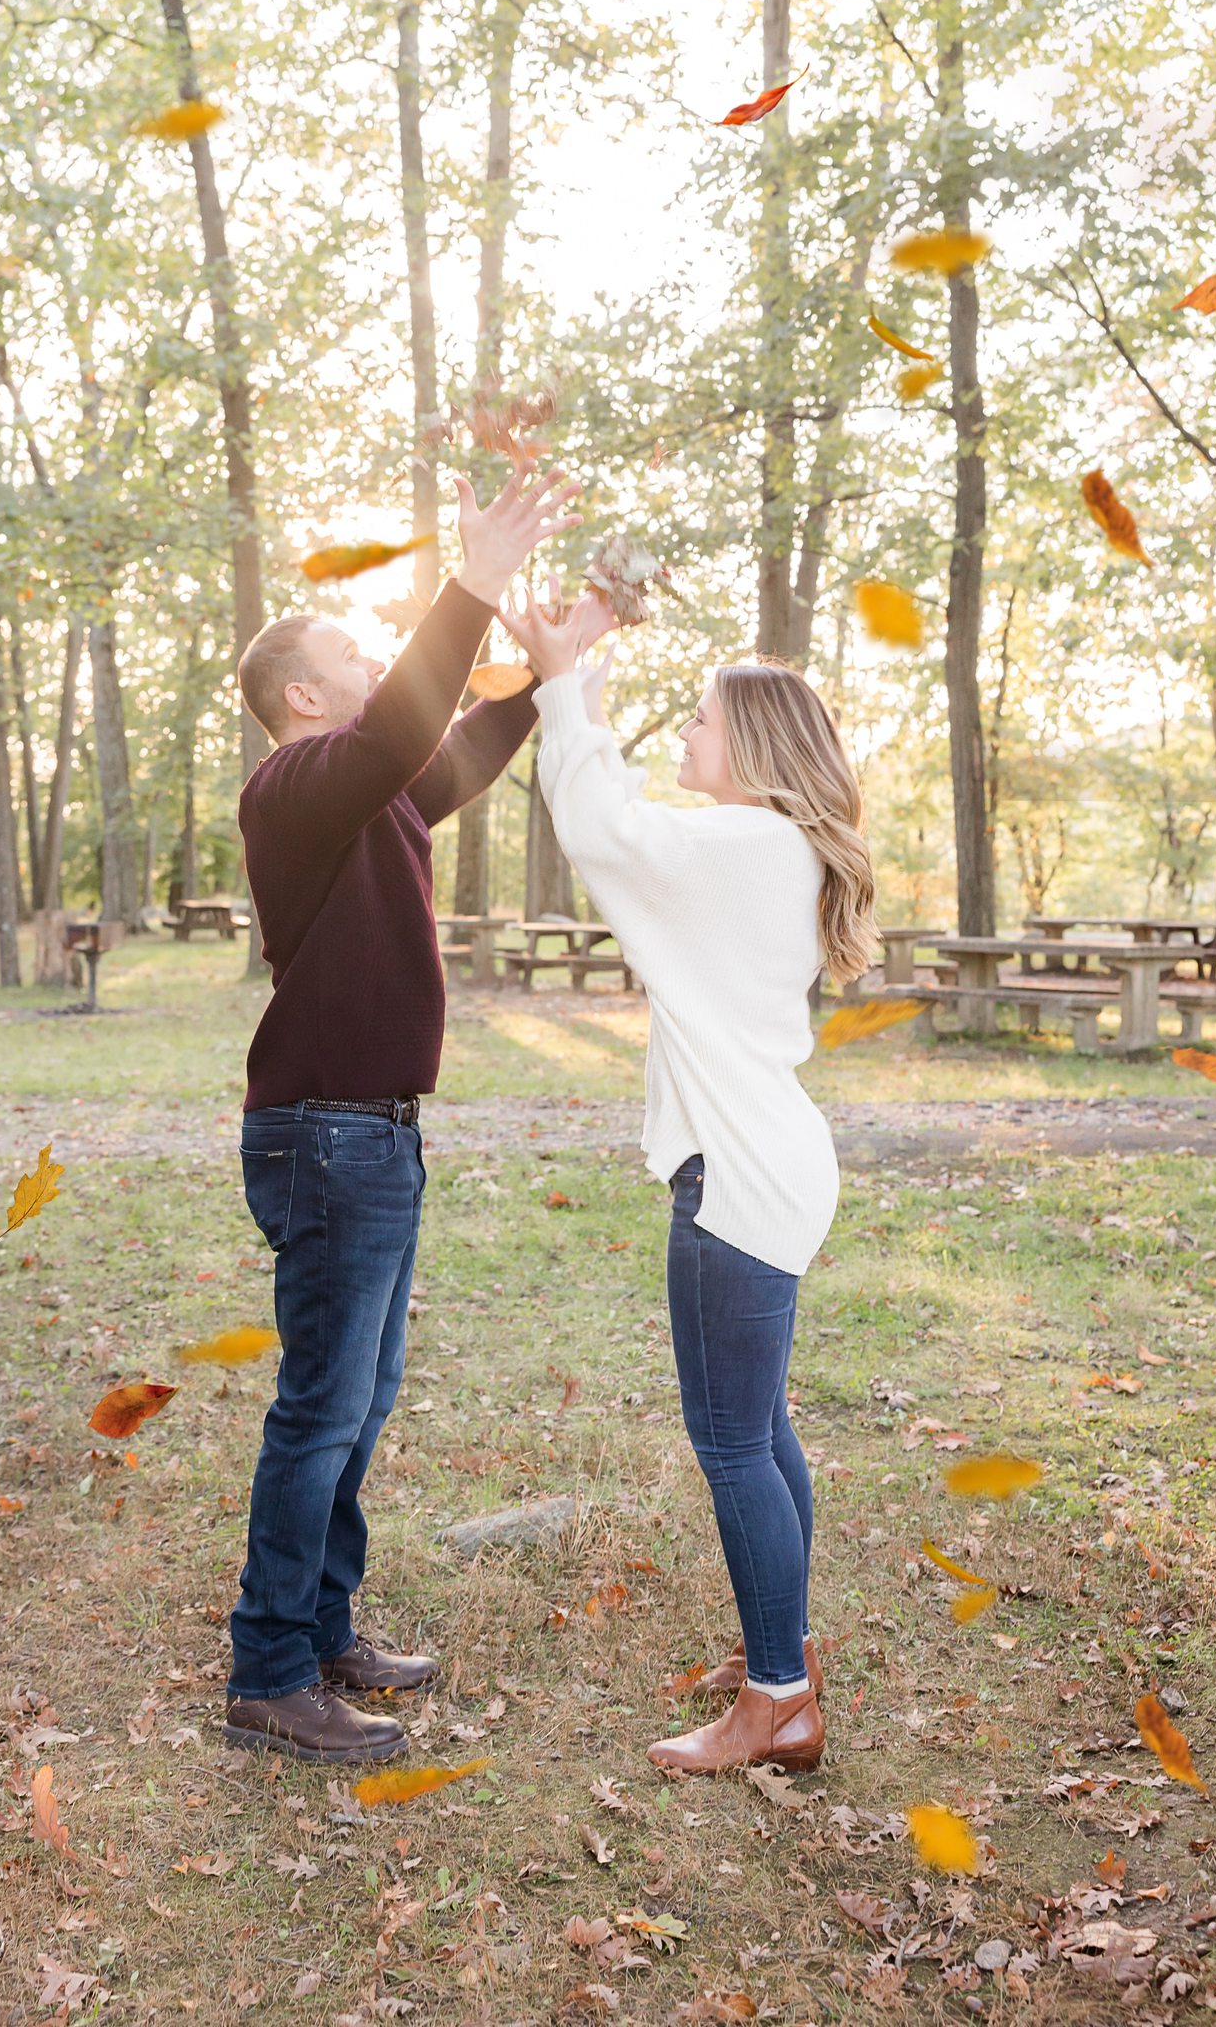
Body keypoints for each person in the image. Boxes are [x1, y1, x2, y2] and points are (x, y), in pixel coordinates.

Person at [224, 465, 581, 1764]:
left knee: (360, 1401)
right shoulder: (297, 786)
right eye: (356, 656)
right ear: (303, 700)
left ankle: (323, 1631)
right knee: (321, 1406)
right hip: (327, 1133)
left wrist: (551, 666)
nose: (381, 667)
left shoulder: (364, 794)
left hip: (373, 1132)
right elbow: (400, 736)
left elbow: (457, 753)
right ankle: (268, 1675)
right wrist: (471, 582)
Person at [496, 573, 877, 1775]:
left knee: (729, 1442)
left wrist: (566, 676)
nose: (688, 736)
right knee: (759, 1431)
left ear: (753, 742)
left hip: (738, 1179)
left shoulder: (742, 842)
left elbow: (601, 826)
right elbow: (621, 818)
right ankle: (787, 1659)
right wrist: (575, 673)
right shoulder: (768, 846)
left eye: (703, 719)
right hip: (769, 1158)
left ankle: (775, 1703)